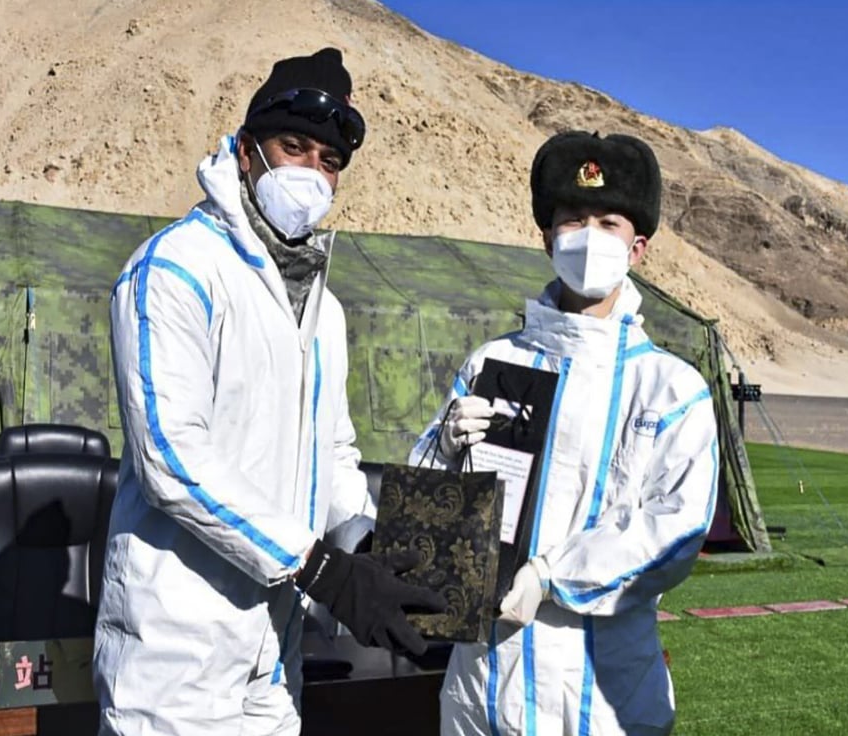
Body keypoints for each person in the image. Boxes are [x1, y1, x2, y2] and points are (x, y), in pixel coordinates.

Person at [95, 48, 445, 736]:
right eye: (294, 147)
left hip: (275, 652)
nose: (310, 172)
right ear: (248, 149)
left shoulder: (325, 310)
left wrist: (363, 543)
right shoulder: (174, 269)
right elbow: (172, 459)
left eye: (329, 161)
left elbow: (334, 451)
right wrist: (319, 568)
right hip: (177, 654)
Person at [411, 130, 719, 735]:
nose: (589, 237)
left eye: (609, 223)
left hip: (602, 700)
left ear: (639, 247)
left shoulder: (671, 389)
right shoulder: (490, 364)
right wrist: (440, 449)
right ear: (548, 237)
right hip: (482, 687)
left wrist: (551, 575)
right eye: (573, 220)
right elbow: (421, 517)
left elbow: (675, 529)